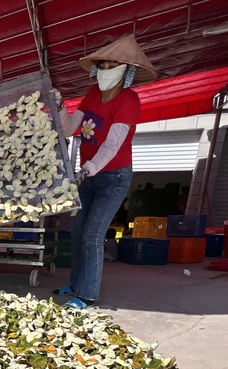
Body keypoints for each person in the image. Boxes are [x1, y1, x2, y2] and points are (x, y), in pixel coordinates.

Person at [52, 33, 157, 308]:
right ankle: (75, 284)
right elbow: (69, 128)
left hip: (113, 177)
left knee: (93, 236)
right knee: (77, 234)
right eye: (103, 65)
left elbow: (113, 143)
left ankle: (87, 295)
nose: (106, 69)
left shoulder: (128, 100)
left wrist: (92, 166)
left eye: (112, 65)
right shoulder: (92, 95)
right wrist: (59, 106)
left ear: (126, 71)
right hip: (89, 176)